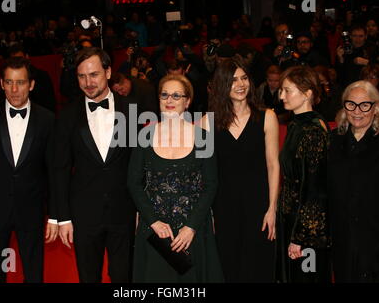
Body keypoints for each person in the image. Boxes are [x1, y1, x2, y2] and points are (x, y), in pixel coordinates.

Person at [0, 57, 58, 283]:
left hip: (32, 208)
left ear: (32, 84)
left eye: (21, 82)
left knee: (33, 271)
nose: (14, 89)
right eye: (9, 82)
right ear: (1, 84)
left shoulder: (48, 120)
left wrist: (55, 216)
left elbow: (55, 170)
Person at [127, 74, 224, 282]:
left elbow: (211, 184)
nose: (169, 100)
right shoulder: (145, 135)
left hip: (192, 230)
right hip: (155, 232)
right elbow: (133, 183)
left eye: (176, 96)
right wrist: (153, 222)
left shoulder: (203, 137)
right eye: (164, 95)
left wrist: (191, 227)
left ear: (187, 101)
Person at [54, 47, 137, 283]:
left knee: (124, 277)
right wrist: (63, 217)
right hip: (84, 213)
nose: (88, 82)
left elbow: (140, 164)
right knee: (88, 277)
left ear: (108, 72)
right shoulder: (68, 115)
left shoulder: (132, 109)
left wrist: (143, 209)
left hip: (124, 211)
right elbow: (59, 169)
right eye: (82, 76)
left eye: (94, 75)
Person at [202, 58, 280, 282]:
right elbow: (202, 174)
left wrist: (272, 208)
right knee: (228, 268)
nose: (240, 84)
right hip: (223, 206)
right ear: (221, 85)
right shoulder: (208, 123)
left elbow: (273, 165)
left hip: (258, 205)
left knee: (258, 267)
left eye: (244, 78)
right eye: (233, 79)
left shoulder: (267, 117)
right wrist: (208, 212)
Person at [276, 65, 331, 283]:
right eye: (281, 90)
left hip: (307, 232)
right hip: (292, 220)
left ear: (307, 93)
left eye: (287, 90)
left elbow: (315, 190)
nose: (281, 96)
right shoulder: (296, 125)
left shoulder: (314, 131)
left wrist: (299, 237)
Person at [328, 80, 379, 282]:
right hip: (342, 236)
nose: (357, 111)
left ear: (375, 108)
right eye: (351, 104)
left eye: (364, 105)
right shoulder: (333, 140)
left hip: (376, 239)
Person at [7, 44, 57, 113]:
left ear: (27, 57)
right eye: (13, 60)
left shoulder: (42, 76)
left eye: (20, 59)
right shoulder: (7, 79)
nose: (17, 63)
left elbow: (50, 104)